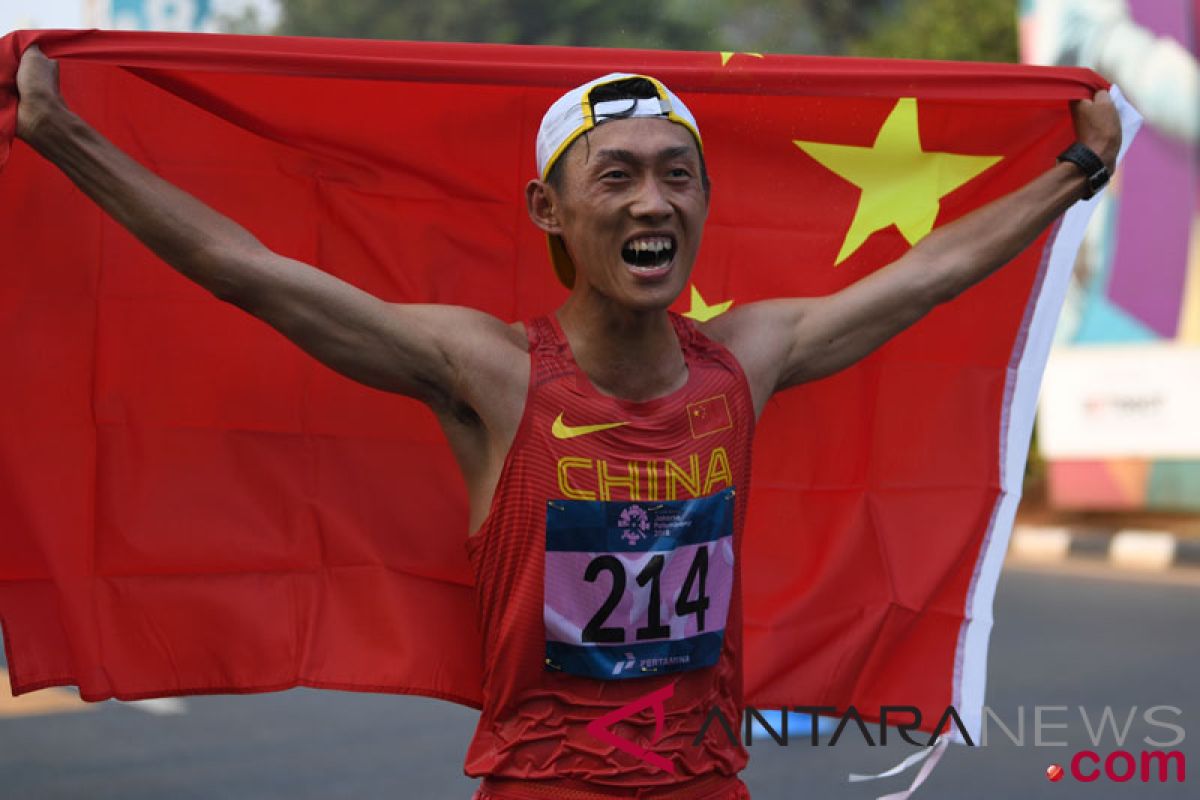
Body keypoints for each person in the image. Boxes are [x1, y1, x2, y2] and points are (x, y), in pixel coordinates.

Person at [12, 46, 1120, 800]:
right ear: (550, 210)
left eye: (679, 176)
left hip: (707, 782)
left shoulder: (746, 360)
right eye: (619, 176)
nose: (654, 202)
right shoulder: (488, 372)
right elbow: (245, 269)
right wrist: (61, 134)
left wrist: (1077, 166)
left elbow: (929, 272)